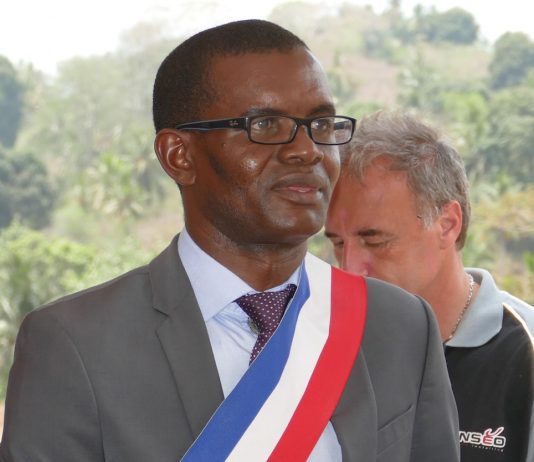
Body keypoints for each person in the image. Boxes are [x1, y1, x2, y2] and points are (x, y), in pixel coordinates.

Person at [1, 22, 459, 462]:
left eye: (321, 125)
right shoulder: (76, 345)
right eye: (266, 125)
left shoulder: (399, 325)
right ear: (179, 156)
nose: (307, 150)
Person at [325, 110, 534, 462]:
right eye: (337, 243)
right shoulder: (319, 345)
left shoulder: (524, 352)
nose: (350, 268)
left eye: (375, 241)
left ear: (447, 224)